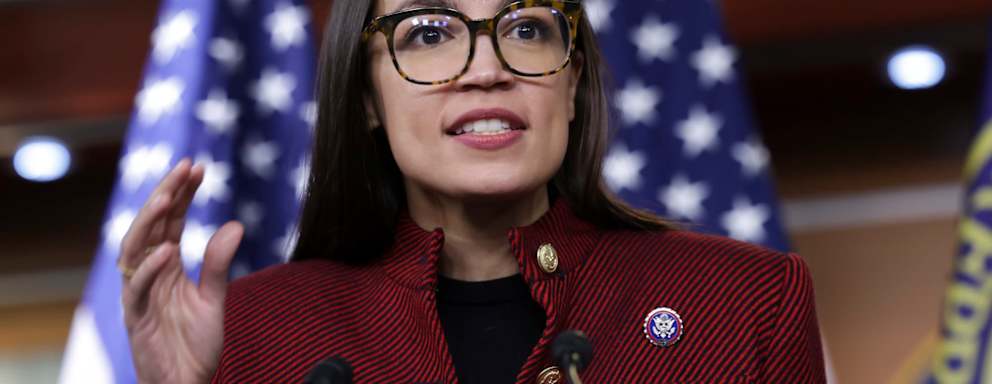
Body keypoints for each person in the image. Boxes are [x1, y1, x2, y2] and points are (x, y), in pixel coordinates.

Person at [117, 0, 827, 382]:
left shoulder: (746, 302)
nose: (486, 69)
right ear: (365, 96)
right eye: (428, 33)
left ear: (572, 82)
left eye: (526, 27)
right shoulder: (256, 334)